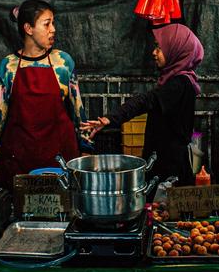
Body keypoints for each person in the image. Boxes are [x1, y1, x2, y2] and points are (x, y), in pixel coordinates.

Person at [0, 0, 87, 188]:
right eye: (47, 24)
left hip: (59, 159)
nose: (53, 29)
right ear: (28, 28)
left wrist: (87, 149)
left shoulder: (63, 63)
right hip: (19, 161)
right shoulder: (8, 67)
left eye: (53, 23)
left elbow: (79, 111)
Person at [82, 23, 204, 186]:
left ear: (176, 50)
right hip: (165, 162)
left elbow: (146, 101)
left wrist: (111, 119)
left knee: (162, 210)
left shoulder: (179, 83)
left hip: (169, 168)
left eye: (159, 48)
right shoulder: (177, 81)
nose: (154, 53)